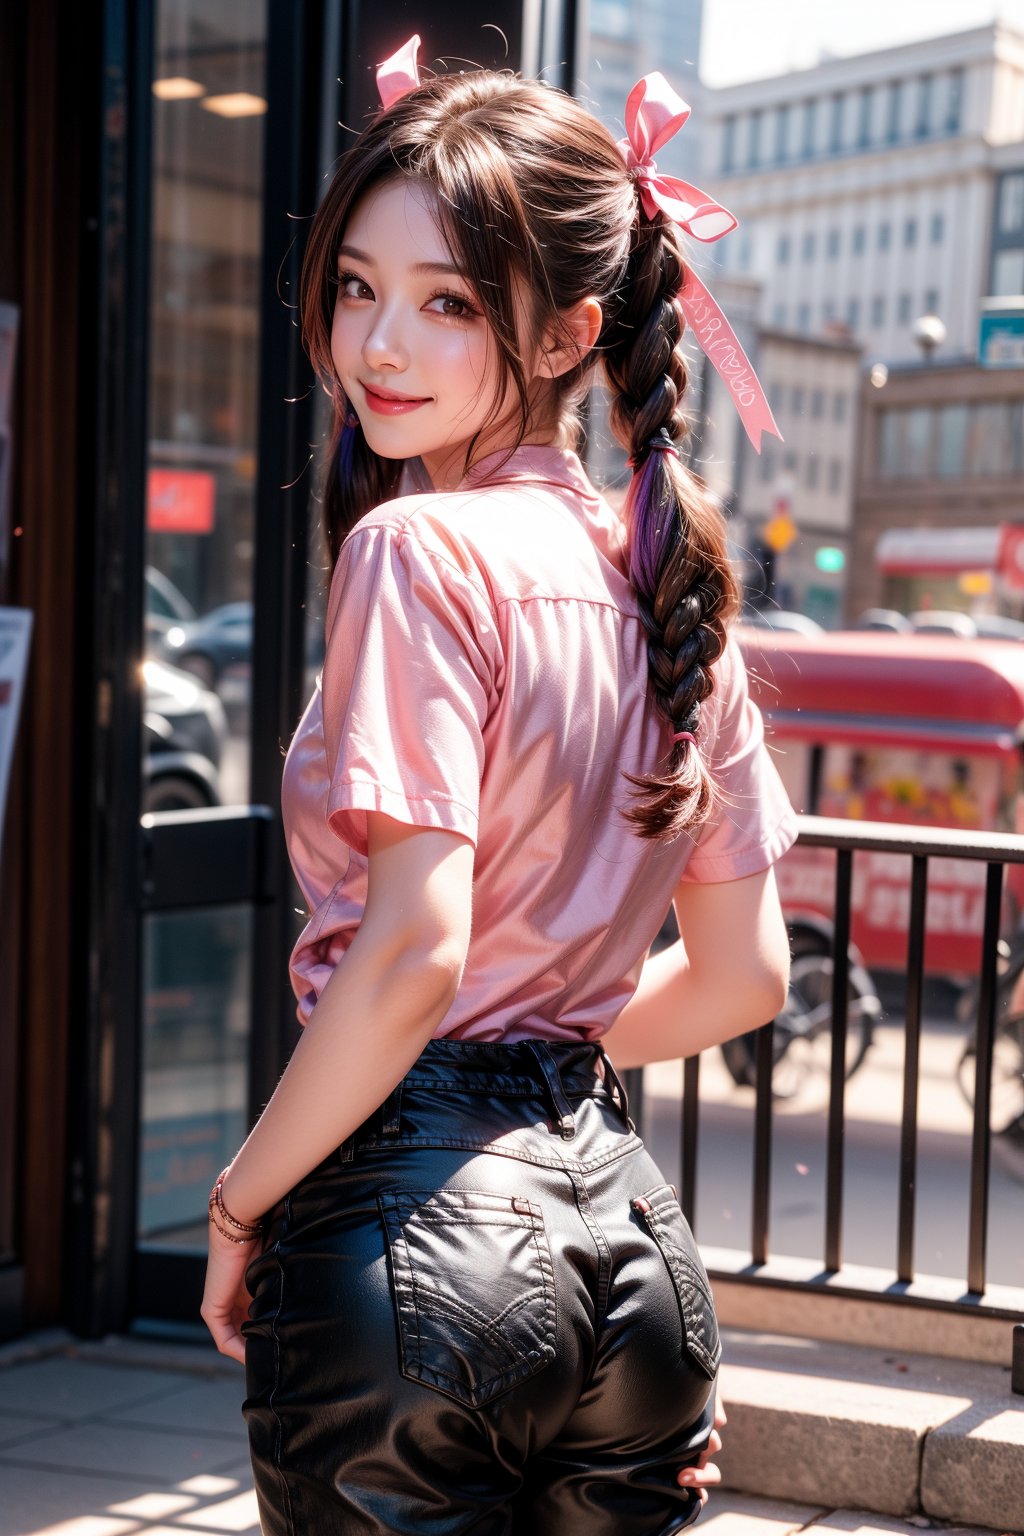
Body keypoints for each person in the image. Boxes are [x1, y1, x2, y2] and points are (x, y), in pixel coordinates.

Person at [201, 34, 797, 1535]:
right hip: (636, 1260)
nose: (376, 347)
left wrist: (242, 1200)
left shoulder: (417, 551)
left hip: (415, 1243)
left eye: (445, 302)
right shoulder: (679, 592)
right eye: (355, 287)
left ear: (564, 335)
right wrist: (554, 1045)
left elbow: (415, 949)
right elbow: (745, 976)